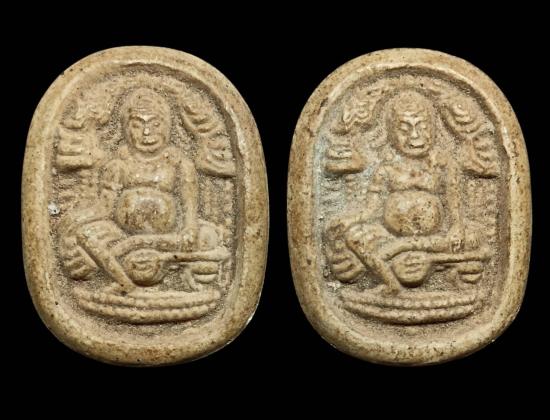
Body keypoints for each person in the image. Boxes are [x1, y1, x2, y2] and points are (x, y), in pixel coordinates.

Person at [59, 88, 221, 290]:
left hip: (169, 239)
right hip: (121, 236)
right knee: (85, 240)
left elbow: (190, 212)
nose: (146, 133)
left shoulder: (180, 164)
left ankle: (128, 278)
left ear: (168, 125)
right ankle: (126, 284)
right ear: (126, 128)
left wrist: (188, 230)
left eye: (155, 124)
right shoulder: (118, 165)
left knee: (207, 238)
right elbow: (105, 209)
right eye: (137, 125)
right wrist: (72, 222)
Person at [326, 90, 484, 293]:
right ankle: (391, 284)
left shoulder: (444, 165)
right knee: (354, 237)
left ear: (434, 128)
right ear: (390, 134)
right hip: (390, 237)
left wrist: (457, 227)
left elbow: (455, 205)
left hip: (436, 239)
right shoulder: (386, 169)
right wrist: (350, 221)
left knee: (473, 237)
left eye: (422, 127)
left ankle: (400, 255)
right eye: (404, 129)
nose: (415, 136)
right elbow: (370, 210)